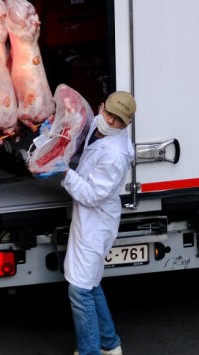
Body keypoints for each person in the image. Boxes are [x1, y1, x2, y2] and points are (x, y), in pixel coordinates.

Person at [60, 91, 136, 355]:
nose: (110, 121)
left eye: (118, 120)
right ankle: (110, 344)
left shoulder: (115, 155)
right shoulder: (98, 123)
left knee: (80, 290)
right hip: (88, 218)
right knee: (90, 284)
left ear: (126, 124)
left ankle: (90, 351)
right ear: (101, 106)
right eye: (109, 114)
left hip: (97, 221)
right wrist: (53, 135)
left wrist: (64, 172)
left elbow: (92, 195)